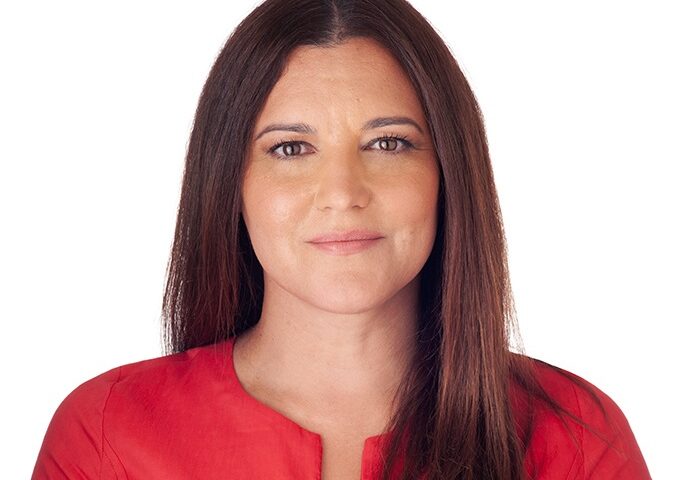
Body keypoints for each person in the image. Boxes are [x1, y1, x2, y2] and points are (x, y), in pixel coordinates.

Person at [32, 0, 651, 479]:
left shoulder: (576, 438)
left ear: (447, 173)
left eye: (388, 143)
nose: (342, 192)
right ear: (229, 183)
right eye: (290, 148)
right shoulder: (107, 437)